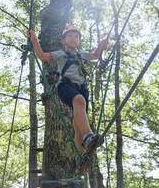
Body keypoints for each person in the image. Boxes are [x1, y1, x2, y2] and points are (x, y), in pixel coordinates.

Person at [27, 25, 108, 168]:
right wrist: (33, 39)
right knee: (79, 100)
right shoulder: (59, 54)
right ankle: (89, 135)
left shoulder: (82, 54)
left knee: (78, 125)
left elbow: (95, 55)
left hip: (81, 88)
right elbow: (41, 55)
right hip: (65, 86)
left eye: (76, 36)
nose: (73, 39)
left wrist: (102, 44)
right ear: (63, 40)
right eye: (70, 36)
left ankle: (80, 156)